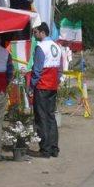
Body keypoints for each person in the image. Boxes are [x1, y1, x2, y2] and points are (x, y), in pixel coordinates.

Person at [30, 22, 62, 158]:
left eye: (35, 32)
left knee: (41, 118)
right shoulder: (57, 46)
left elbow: (37, 70)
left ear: (42, 32)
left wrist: (31, 86)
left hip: (42, 86)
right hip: (53, 85)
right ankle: (54, 148)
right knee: (50, 117)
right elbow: (60, 69)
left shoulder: (40, 47)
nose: (34, 34)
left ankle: (45, 149)